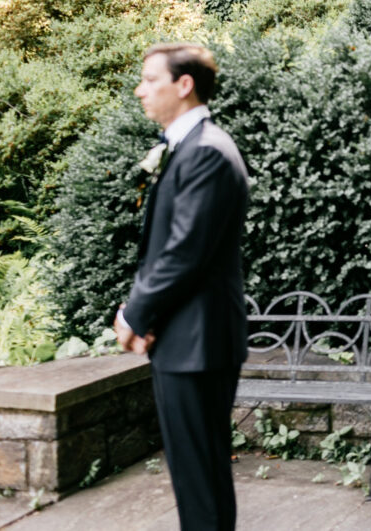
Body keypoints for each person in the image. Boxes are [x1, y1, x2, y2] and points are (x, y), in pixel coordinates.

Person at [115, 43, 249, 531]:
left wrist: (135, 315)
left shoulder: (208, 153)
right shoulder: (188, 149)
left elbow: (183, 254)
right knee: (197, 477)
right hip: (186, 339)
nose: (141, 90)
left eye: (151, 80)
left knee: (201, 480)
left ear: (184, 85)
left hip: (199, 343)